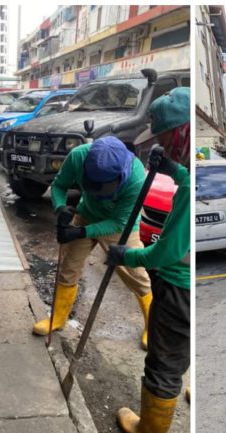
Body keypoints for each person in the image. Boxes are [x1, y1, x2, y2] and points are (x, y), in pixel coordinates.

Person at [106, 87, 191, 433]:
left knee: (164, 361)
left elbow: (165, 253)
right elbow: (186, 179)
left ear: (181, 132)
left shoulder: (190, 187)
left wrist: (128, 256)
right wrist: (173, 170)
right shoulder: (189, 174)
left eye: (166, 138)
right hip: (186, 292)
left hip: (177, 290)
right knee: (179, 352)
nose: (163, 145)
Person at [36, 136, 152, 349]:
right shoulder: (78, 156)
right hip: (86, 214)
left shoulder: (137, 179)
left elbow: (118, 222)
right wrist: (60, 208)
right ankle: (58, 318)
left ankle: (152, 325)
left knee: (135, 274)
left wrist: (81, 232)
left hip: (121, 225)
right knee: (68, 266)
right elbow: (59, 185)